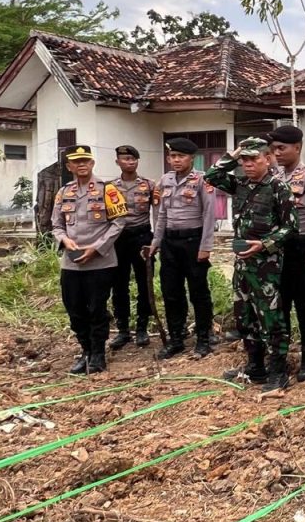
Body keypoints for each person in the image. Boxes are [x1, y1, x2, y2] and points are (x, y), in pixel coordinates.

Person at [205, 138, 299, 391]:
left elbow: (291, 227)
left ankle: (278, 371)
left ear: (267, 159)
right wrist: (235, 154)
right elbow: (211, 175)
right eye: (244, 160)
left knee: (271, 318)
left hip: (267, 265)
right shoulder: (240, 184)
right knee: (244, 316)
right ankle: (255, 366)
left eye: (253, 159)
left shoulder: (278, 187)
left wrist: (264, 244)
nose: (247, 164)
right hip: (243, 264)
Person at [51, 145, 129, 373]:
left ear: (92, 163)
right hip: (71, 262)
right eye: (76, 162)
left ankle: (98, 354)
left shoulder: (108, 189)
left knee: (97, 309)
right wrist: (64, 240)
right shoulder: (63, 192)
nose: (81, 165)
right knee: (74, 309)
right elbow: (56, 224)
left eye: (85, 160)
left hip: (100, 262)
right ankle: (85, 350)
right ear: (69, 166)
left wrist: (97, 247)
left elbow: (119, 222)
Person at [144, 138, 217, 359]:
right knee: (171, 292)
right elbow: (162, 214)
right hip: (170, 244)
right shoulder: (165, 180)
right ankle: (176, 339)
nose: (176, 160)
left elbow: (209, 215)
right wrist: (156, 242)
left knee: (198, 292)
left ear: (191, 158)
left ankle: (204, 339)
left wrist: (205, 246)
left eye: (181, 156)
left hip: (193, 242)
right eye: (173, 156)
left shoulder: (203, 180)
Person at [268, 125, 305, 382]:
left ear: (297, 147)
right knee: (279, 307)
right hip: (280, 248)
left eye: (282, 148)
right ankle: (280, 359)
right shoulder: (274, 176)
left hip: (304, 247)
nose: (277, 153)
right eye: (274, 149)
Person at [109, 145, 157, 350]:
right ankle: (122, 330)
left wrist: (156, 241)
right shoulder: (109, 187)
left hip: (142, 237)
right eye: (125, 159)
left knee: (144, 283)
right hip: (117, 239)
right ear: (117, 162)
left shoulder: (149, 185)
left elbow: (159, 213)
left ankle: (142, 328)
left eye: (133, 159)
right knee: (119, 285)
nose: (130, 162)